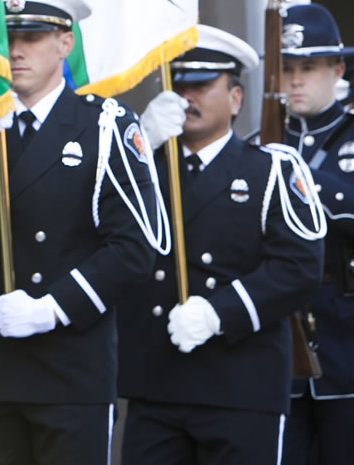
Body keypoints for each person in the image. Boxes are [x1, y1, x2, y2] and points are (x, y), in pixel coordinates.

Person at [0, 0, 167, 465]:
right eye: (6, 36)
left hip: (68, 367)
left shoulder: (103, 126)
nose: (16, 49)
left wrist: (54, 306)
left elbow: (134, 247)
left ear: (65, 42)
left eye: (32, 36)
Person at [118, 25, 325, 464]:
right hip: (157, 380)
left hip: (239, 382)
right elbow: (89, 223)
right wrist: (137, 143)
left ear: (235, 99)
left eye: (201, 86)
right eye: (178, 85)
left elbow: (299, 267)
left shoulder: (270, 171)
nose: (186, 98)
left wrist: (219, 312)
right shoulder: (142, 168)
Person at [275, 4, 354, 465]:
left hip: (346, 342)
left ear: (337, 69)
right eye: (286, 69)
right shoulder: (260, 145)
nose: (296, 80)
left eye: (309, 67)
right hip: (282, 351)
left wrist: (301, 175)